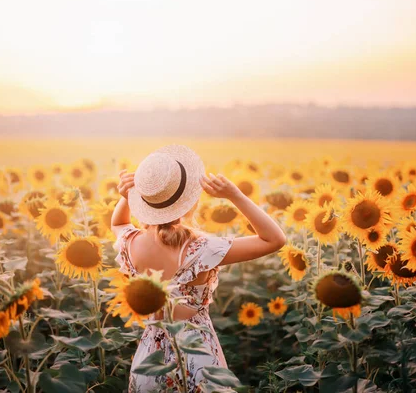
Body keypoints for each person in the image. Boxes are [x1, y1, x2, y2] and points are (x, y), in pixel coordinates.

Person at [110, 144, 286, 392]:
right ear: (188, 202)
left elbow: (118, 222)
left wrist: (125, 196)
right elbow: (274, 239)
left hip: (150, 362)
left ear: (143, 202)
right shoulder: (201, 249)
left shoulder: (130, 243)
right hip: (198, 358)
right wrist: (235, 195)